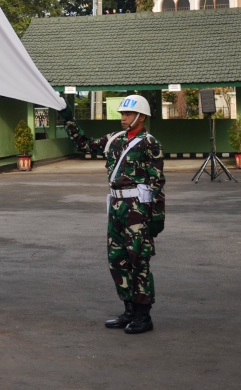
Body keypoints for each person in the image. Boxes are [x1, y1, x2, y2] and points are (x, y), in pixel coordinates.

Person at [59, 95, 165, 335]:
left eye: (127, 114)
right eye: (122, 114)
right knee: (117, 258)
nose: (123, 118)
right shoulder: (114, 140)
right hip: (116, 205)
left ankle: (143, 315)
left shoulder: (150, 143)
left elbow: (157, 182)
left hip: (138, 207)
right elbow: (84, 144)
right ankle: (128, 309)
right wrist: (69, 120)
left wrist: (157, 217)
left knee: (139, 259)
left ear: (141, 116)